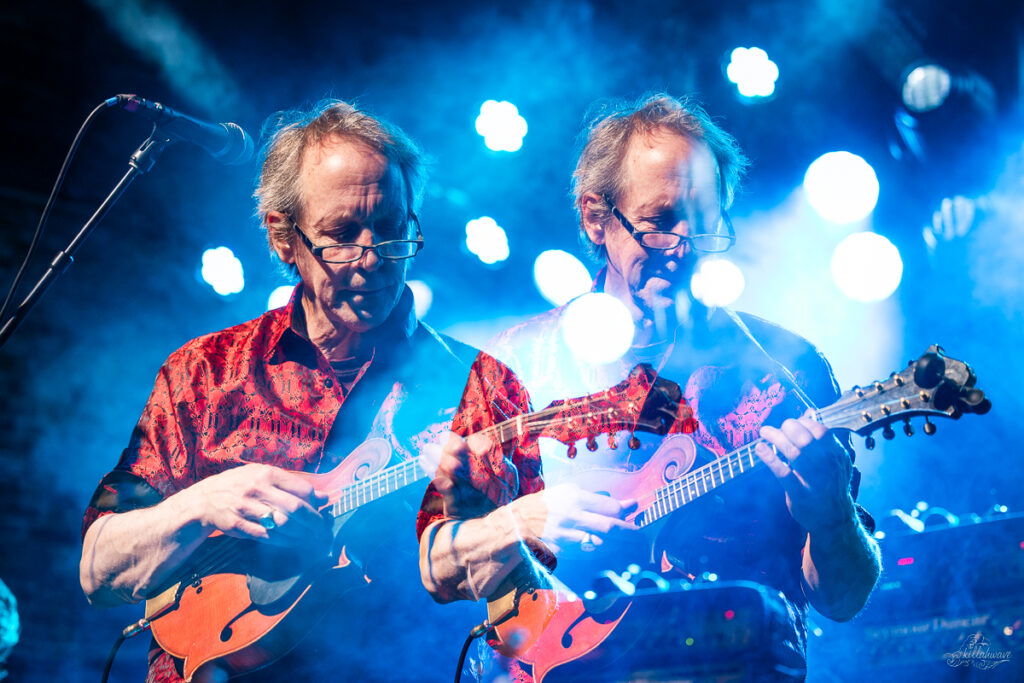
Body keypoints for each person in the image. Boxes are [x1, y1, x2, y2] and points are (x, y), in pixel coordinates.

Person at [417, 94, 882, 681]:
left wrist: (832, 515)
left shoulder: (781, 366)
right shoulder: (518, 362)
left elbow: (843, 599)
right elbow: (437, 569)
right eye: (660, 222)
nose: (684, 249)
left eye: (704, 223)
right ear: (595, 217)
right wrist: (520, 522)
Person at [80, 100, 489, 681]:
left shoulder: (479, 384)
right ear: (282, 237)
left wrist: (477, 522)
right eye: (342, 235)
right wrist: (203, 503)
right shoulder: (204, 371)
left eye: (392, 229)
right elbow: (98, 572)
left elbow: (534, 600)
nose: (372, 258)